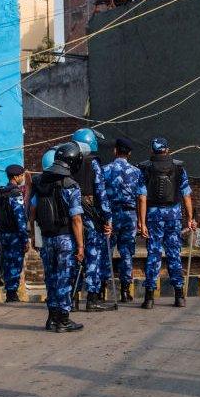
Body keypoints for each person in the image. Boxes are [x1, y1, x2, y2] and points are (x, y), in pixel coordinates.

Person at [137, 137, 196, 309]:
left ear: (152, 151)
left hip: (153, 216)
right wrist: (190, 217)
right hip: (174, 216)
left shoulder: (145, 168)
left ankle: (149, 298)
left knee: (153, 255)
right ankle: (179, 296)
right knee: (174, 254)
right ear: (167, 150)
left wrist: (142, 223)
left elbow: (141, 198)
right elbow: (186, 195)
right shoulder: (179, 168)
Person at [34, 144, 86, 332]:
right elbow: (76, 218)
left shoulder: (39, 181)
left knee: (51, 278)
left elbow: (32, 210)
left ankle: (52, 318)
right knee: (64, 278)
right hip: (65, 238)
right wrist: (80, 246)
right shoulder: (70, 185)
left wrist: (33, 236)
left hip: (47, 238)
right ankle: (63, 319)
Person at [70, 128, 114, 312]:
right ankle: (92, 299)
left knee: (76, 257)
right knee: (93, 257)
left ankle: (72, 299)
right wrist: (107, 218)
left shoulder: (68, 161)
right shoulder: (93, 163)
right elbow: (101, 193)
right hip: (91, 217)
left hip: (73, 216)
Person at [102, 138, 146, 302]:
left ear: (115, 151)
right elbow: (142, 198)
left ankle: (101, 289)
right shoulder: (137, 172)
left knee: (106, 251)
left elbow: (99, 195)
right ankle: (126, 291)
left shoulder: (105, 170)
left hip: (110, 216)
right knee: (127, 252)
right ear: (129, 153)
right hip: (129, 215)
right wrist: (142, 222)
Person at [0, 164, 29, 302]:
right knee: (15, 263)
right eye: (21, 175)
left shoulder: (1, 193)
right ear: (16, 177)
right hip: (15, 234)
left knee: (7, 262)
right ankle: (12, 293)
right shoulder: (15, 193)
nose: (22, 178)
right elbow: (20, 217)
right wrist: (25, 238)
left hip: (4, 234)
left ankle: (10, 291)